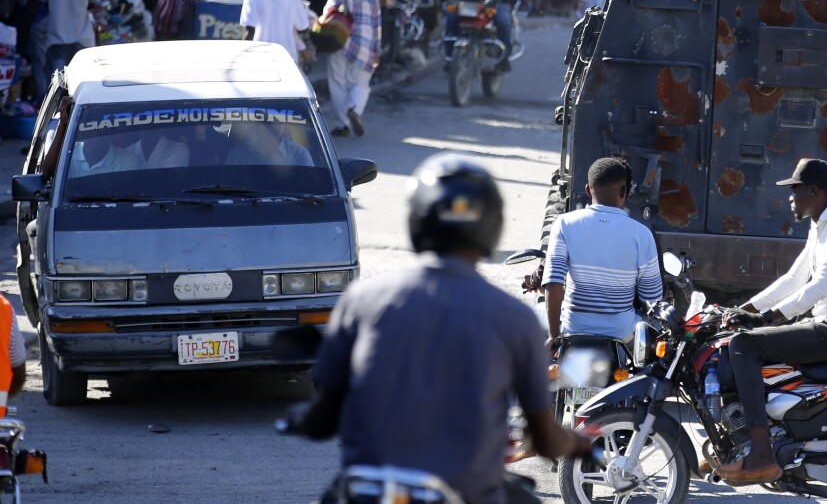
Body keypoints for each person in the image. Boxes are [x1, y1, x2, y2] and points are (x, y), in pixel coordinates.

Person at [286, 154, 595, 504]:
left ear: (417, 220)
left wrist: (298, 419)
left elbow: (323, 414)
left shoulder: (362, 300)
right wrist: (578, 442)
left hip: (372, 489)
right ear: (490, 226)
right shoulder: (514, 317)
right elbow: (544, 436)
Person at [718, 157, 827, 483]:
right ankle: (738, 442)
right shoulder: (821, 224)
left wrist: (764, 319)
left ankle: (761, 452)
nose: (790, 198)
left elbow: (820, 285)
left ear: (814, 191)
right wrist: (741, 310)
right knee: (730, 342)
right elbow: (793, 278)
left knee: (744, 346)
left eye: (795, 190)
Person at [543, 158, 663, 345]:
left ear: (588, 190)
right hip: (623, 334)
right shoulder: (642, 235)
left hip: (573, 330)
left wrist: (554, 335)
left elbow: (554, 281)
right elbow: (652, 299)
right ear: (625, 192)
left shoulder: (565, 224)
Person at [325, 0, 382, 138]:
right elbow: (376, 24)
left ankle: (342, 125)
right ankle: (355, 109)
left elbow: (329, 12)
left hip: (340, 41)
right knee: (361, 83)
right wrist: (377, 51)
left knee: (338, 83)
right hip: (364, 45)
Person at [225, 123, 314, 167]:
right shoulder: (238, 156)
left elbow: (311, 192)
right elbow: (226, 189)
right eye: (267, 120)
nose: (273, 124)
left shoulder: (299, 155)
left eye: (278, 119)